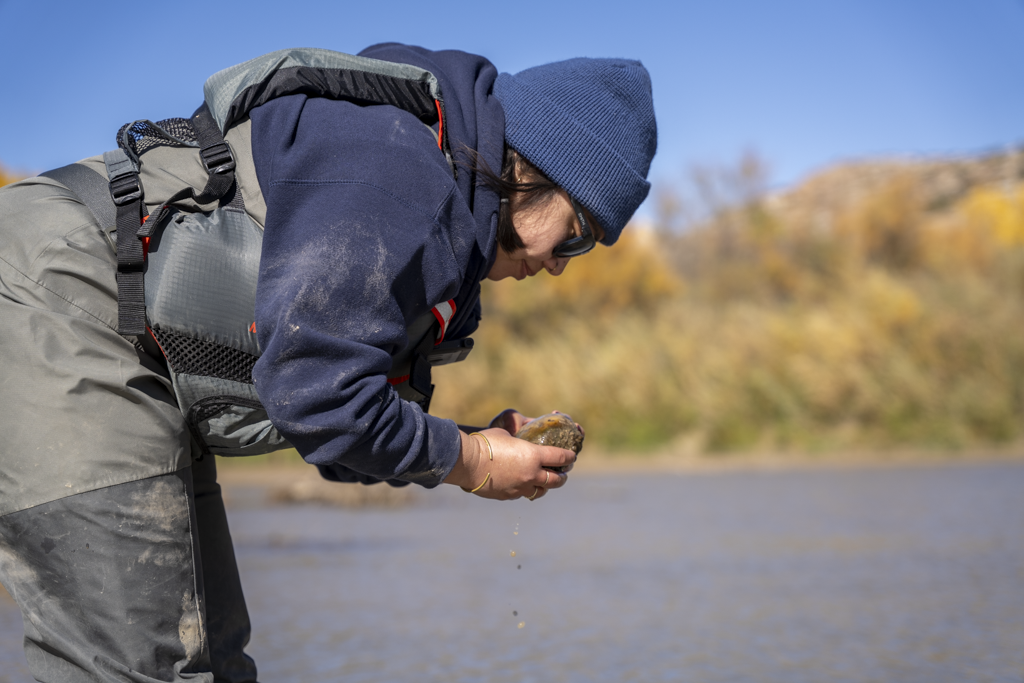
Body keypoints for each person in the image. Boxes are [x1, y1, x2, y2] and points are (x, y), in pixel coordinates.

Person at [0, 42, 656, 682]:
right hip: (60, 295)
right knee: (141, 665)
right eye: (576, 232)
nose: (561, 263)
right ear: (529, 169)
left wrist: (475, 441)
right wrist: (473, 460)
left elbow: (341, 440)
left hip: (136, 347)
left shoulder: (443, 233)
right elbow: (317, 396)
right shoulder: (398, 167)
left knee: (214, 659)